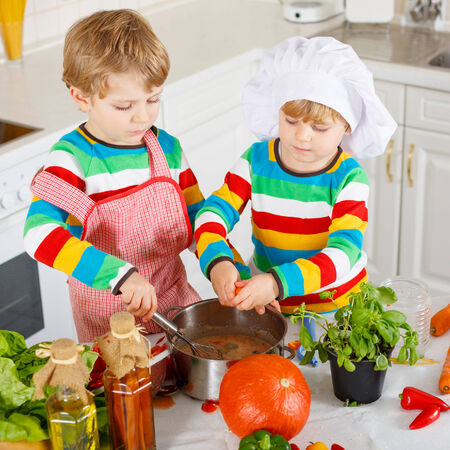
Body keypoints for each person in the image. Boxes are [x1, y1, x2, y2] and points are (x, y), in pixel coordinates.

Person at [24, 9, 205, 342]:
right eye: (125, 106)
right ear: (82, 97)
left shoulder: (168, 149)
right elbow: (39, 235)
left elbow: (198, 219)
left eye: (153, 99)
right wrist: (119, 276)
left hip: (173, 298)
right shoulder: (73, 159)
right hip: (109, 319)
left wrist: (226, 266)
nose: (143, 117)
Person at [194, 36, 397, 318]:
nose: (302, 135)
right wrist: (221, 263)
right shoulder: (256, 161)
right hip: (268, 308)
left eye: (320, 127)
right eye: (290, 121)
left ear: (348, 126)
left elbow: (343, 254)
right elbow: (211, 215)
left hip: (337, 311)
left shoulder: (349, 178)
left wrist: (277, 283)